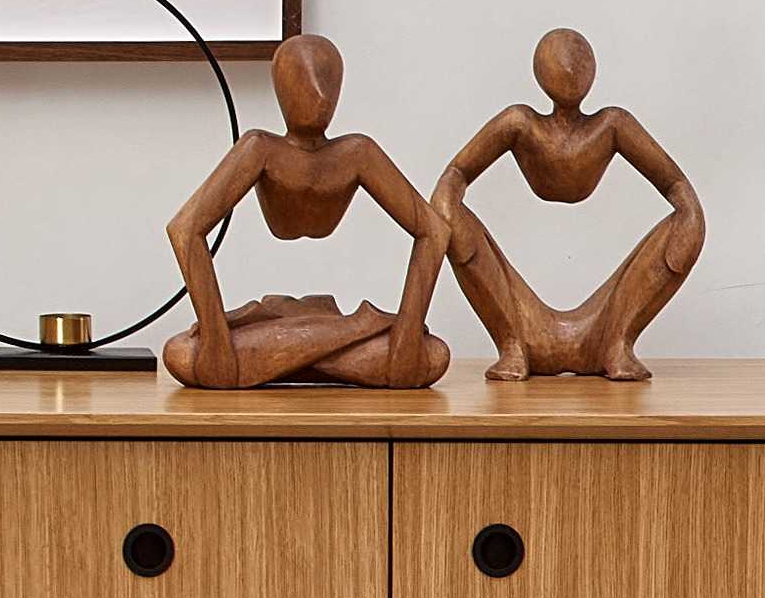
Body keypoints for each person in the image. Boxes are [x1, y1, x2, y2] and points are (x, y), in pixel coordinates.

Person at [155, 34, 456, 389]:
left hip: (270, 345)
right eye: (302, 84)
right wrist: (217, 338)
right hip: (285, 333)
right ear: (281, 90)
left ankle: (293, 355)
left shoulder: (357, 153)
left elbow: (433, 230)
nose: (318, 96)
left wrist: (407, 332)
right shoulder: (260, 149)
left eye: (327, 84)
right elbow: (185, 229)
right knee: (181, 352)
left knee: (433, 354)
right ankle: (342, 336)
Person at [427, 26, 708, 381]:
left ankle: (616, 341)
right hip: (522, 322)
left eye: (578, 66)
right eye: (562, 67)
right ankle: (513, 342)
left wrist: (690, 214)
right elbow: (456, 172)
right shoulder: (519, 123)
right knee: (446, 210)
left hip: (603, 328)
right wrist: (446, 205)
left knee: (690, 220)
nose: (571, 72)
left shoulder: (612, 125)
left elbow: (675, 184)